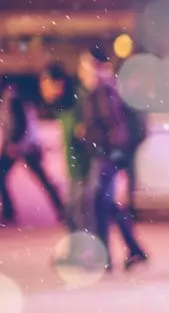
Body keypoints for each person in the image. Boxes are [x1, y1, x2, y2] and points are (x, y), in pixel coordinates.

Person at [78, 48, 148, 272]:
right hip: (106, 155)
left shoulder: (103, 91)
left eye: (85, 66)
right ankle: (133, 250)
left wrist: (109, 153)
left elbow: (114, 126)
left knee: (98, 205)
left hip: (105, 157)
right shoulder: (106, 89)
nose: (82, 71)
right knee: (106, 206)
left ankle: (106, 257)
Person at [0, 82, 65, 225]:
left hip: (21, 146)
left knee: (3, 176)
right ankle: (61, 209)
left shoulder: (11, 99)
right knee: (42, 178)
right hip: (25, 145)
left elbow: (17, 123)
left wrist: (13, 144)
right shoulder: (13, 97)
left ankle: (9, 211)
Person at [40, 64, 88, 237]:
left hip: (85, 169)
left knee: (77, 215)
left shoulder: (79, 103)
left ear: (59, 84)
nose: (44, 90)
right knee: (76, 215)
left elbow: (89, 133)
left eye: (46, 85)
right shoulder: (63, 107)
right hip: (74, 170)